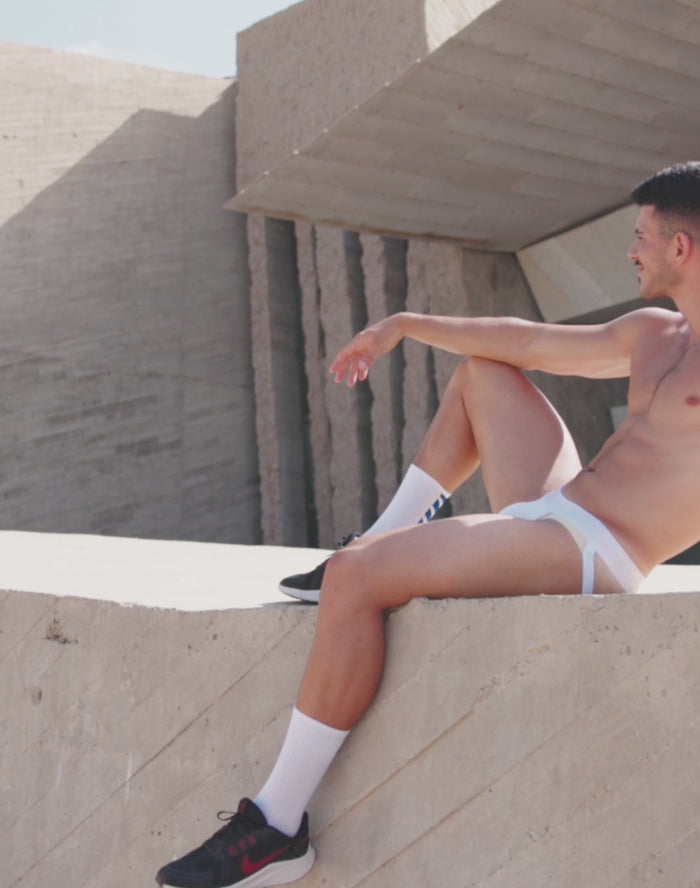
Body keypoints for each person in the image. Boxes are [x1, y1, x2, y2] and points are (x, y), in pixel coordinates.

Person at [156, 161, 700, 888]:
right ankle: (375, 536)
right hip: (559, 509)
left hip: (598, 552)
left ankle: (277, 827)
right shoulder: (658, 332)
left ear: (680, 247)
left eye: (640, 237)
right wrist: (405, 325)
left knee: (358, 579)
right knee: (484, 372)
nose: (631, 251)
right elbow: (526, 341)